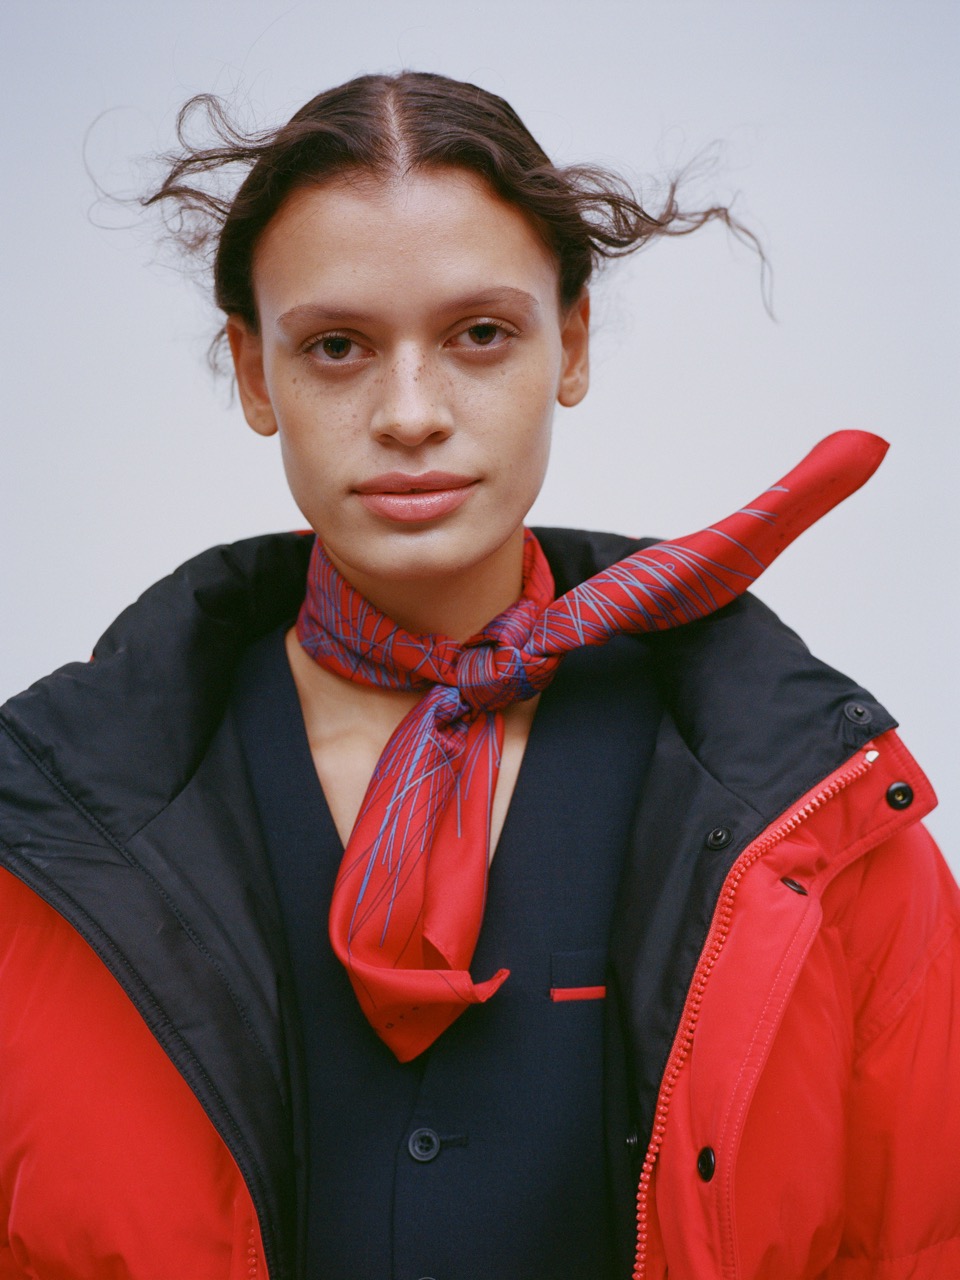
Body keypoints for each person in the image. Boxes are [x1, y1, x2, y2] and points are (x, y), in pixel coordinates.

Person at [1, 70, 958, 1280]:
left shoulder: (818, 810)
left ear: (573, 343)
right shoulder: (52, 825)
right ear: (252, 371)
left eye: (480, 334)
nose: (411, 413)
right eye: (336, 345)